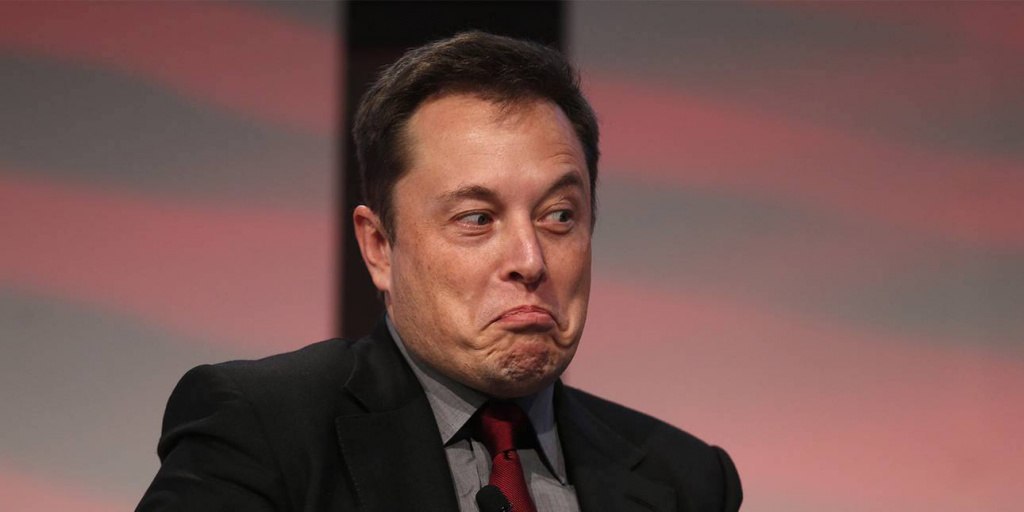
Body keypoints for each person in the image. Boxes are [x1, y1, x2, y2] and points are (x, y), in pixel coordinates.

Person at [137, 31, 742, 512]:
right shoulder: (263, 430)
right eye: (477, 219)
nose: (530, 260)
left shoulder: (685, 480)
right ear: (379, 247)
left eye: (559, 215)